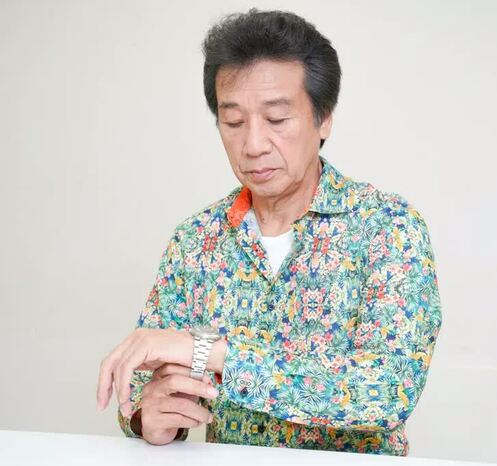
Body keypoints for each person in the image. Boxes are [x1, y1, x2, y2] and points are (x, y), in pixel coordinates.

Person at [96, 8, 442, 456]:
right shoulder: (195, 241)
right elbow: (144, 386)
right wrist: (150, 418)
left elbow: (387, 392)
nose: (253, 144)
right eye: (234, 122)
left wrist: (210, 353)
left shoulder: (388, 229)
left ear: (324, 118)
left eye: (276, 119)